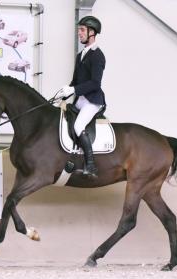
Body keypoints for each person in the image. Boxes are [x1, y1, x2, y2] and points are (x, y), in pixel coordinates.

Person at [56, 16, 106, 178]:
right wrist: (64, 95)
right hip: (81, 100)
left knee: (78, 126)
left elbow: (95, 83)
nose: (79, 33)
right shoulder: (80, 55)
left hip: (93, 100)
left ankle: (91, 165)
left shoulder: (97, 56)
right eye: (79, 30)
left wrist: (74, 89)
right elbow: (75, 81)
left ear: (92, 33)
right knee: (64, 120)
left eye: (82, 30)